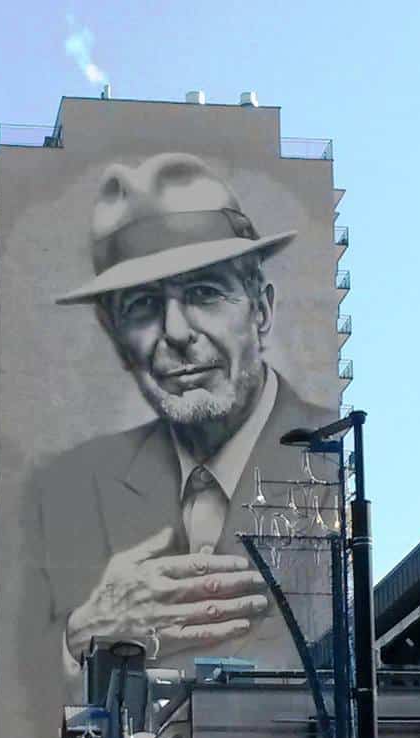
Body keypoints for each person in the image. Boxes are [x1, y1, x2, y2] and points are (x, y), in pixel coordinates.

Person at [22, 152, 334, 684]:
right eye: (143, 305)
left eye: (204, 293)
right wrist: (80, 638)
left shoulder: (329, 459)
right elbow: (25, 690)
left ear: (261, 310)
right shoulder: (66, 491)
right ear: (115, 335)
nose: (176, 332)